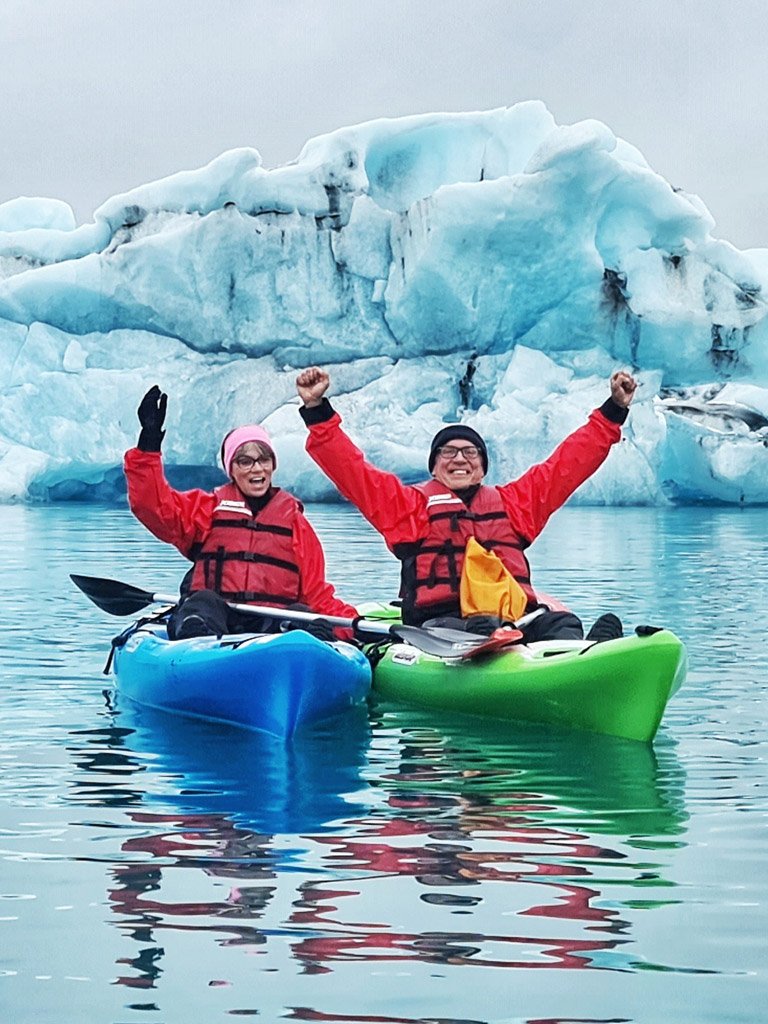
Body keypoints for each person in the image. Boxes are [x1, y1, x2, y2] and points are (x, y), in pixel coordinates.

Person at [295, 366, 638, 643]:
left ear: (483, 467)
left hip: (514, 618)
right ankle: (494, 650)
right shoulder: (410, 507)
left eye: (470, 452)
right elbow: (354, 474)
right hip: (440, 628)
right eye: (448, 452)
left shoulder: (513, 504)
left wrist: (613, 412)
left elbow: (566, 467)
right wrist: (318, 412)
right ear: (433, 466)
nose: (459, 459)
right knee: (481, 627)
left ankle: (583, 655)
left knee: (561, 622)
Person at [124, 385, 358, 640]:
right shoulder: (207, 510)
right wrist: (148, 445)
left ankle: (298, 641)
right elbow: (152, 507)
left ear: (272, 466)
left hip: (271, 626)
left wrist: (354, 626)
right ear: (231, 470)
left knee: (299, 616)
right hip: (216, 619)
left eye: (263, 460)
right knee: (201, 602)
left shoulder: (295, 525)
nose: (256, 469)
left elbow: (317, 595)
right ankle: (196, 639)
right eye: (245, 461)